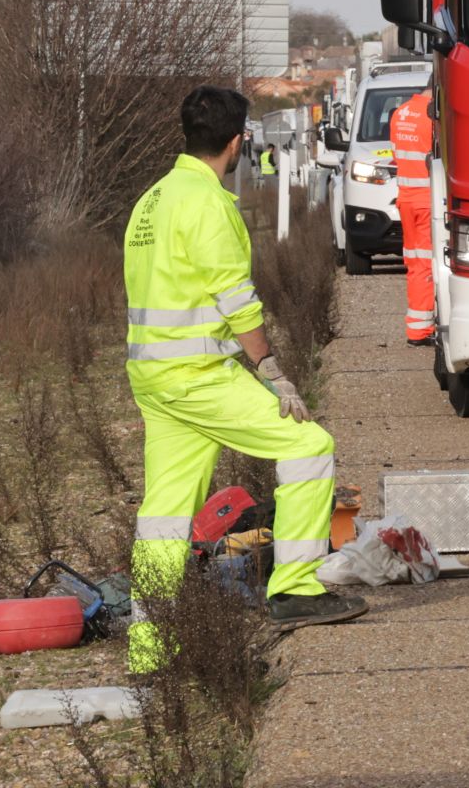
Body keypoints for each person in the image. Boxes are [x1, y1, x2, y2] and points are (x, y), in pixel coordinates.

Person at [123, 86, 365, 672]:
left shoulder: (151, 202)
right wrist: (271, 371)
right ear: (237, 142)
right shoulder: (208, 204)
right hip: (198, 375)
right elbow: (237, 301)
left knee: (165, 513)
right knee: (310, 447)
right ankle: (296, 589)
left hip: (153, 376)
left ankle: (150, 649)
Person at [388, 88, 435, 346]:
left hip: (406, 198)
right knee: (427, 266)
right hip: (427, 199)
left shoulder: (400, 113)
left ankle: (417, 326)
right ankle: (422, 329)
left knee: (415, 263)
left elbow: (397, 155)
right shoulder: (432, 115)